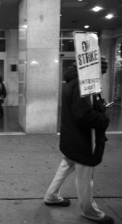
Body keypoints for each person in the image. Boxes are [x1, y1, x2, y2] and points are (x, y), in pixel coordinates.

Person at [43, 59, 114, 224]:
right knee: (85, 178)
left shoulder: (74, 82)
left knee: (66, 166)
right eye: (100, 72)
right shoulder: (82, 86)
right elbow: (84, 114)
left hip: (72, 138)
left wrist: (99, 107)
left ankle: (51, 196)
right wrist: (103, 119)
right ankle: (90, 212)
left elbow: (83, 109)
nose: (101, 76)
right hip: (83, 140)